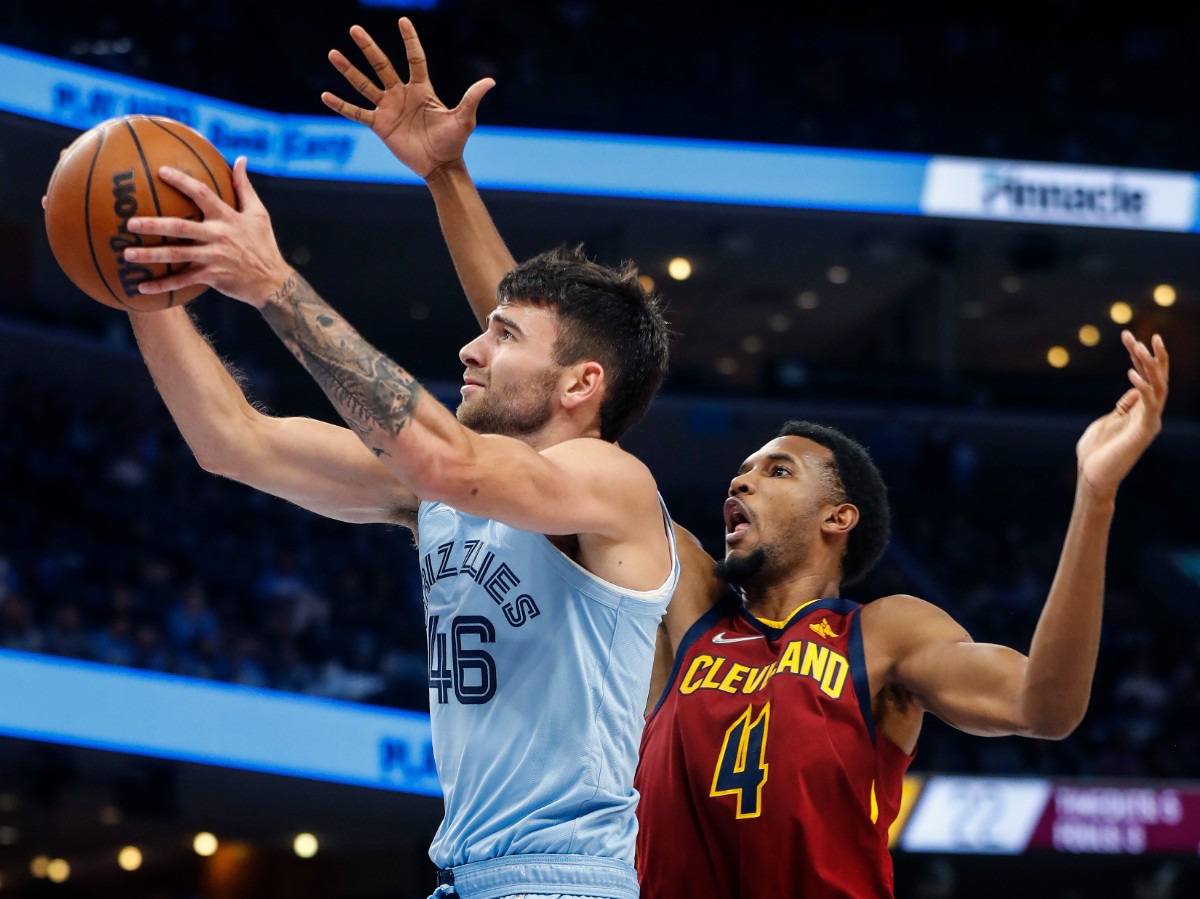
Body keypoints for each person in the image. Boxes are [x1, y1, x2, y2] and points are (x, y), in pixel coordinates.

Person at [322, 18, 1173, 897]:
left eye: (777, 469)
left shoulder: (882, 634)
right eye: (743, 466)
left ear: (839, 518)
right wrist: (446, 177)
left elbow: (1045, 705)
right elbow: (542, 368)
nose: (740, 477)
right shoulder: (686, 602)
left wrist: (1095, 495)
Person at [116, 99, 679, 899]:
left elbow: (448, 463)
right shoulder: (437, 486)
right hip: (466, 877)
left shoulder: (612, 484)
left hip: (565, 881)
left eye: (505, 335)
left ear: (583, 383)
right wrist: (148, 287)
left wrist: (274, 283)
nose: (470, 346)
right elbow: (233, 441)